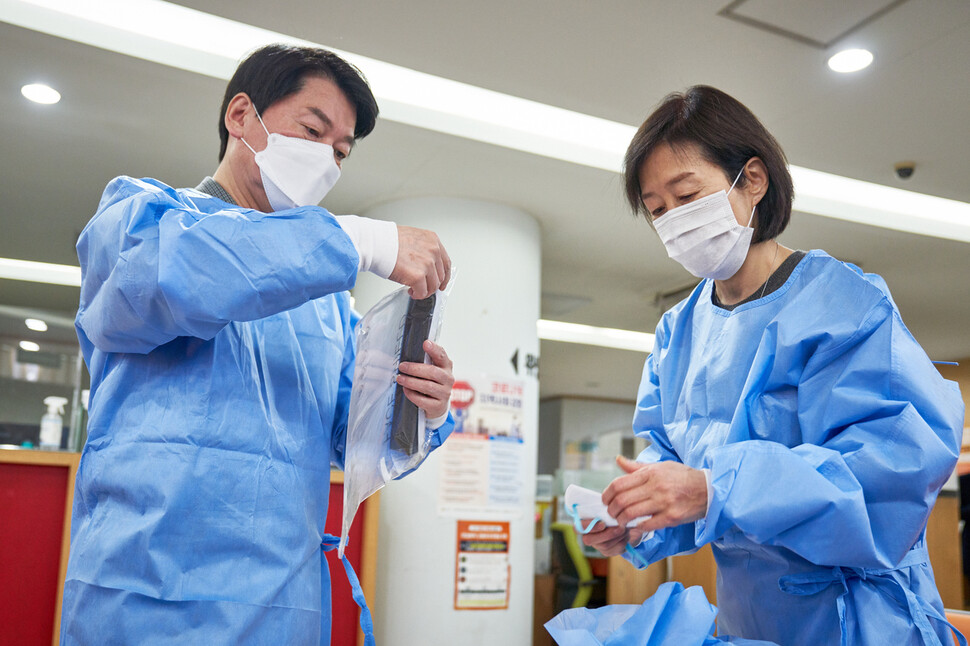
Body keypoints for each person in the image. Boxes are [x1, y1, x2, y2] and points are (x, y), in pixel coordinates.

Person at [61, 44, 456, 645]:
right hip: (147, 598)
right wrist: (354, 239)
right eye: (311, 130)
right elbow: (173, 279)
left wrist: (418, 408)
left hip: (281, 604)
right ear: (241, 116)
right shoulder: (142, 218)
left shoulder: (325, 303)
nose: (326, 160)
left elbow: (350, 441)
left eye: (340, 153)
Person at [580, 85, 965, 645]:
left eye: (688, 196)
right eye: (658, 211)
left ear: (752, 180)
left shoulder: (844, 307)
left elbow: (890, 473)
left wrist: (719, 489)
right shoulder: (678, 332)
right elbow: (668, 457)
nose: (674, 222)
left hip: (856, 616)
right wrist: (637, 517)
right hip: (749, 620)